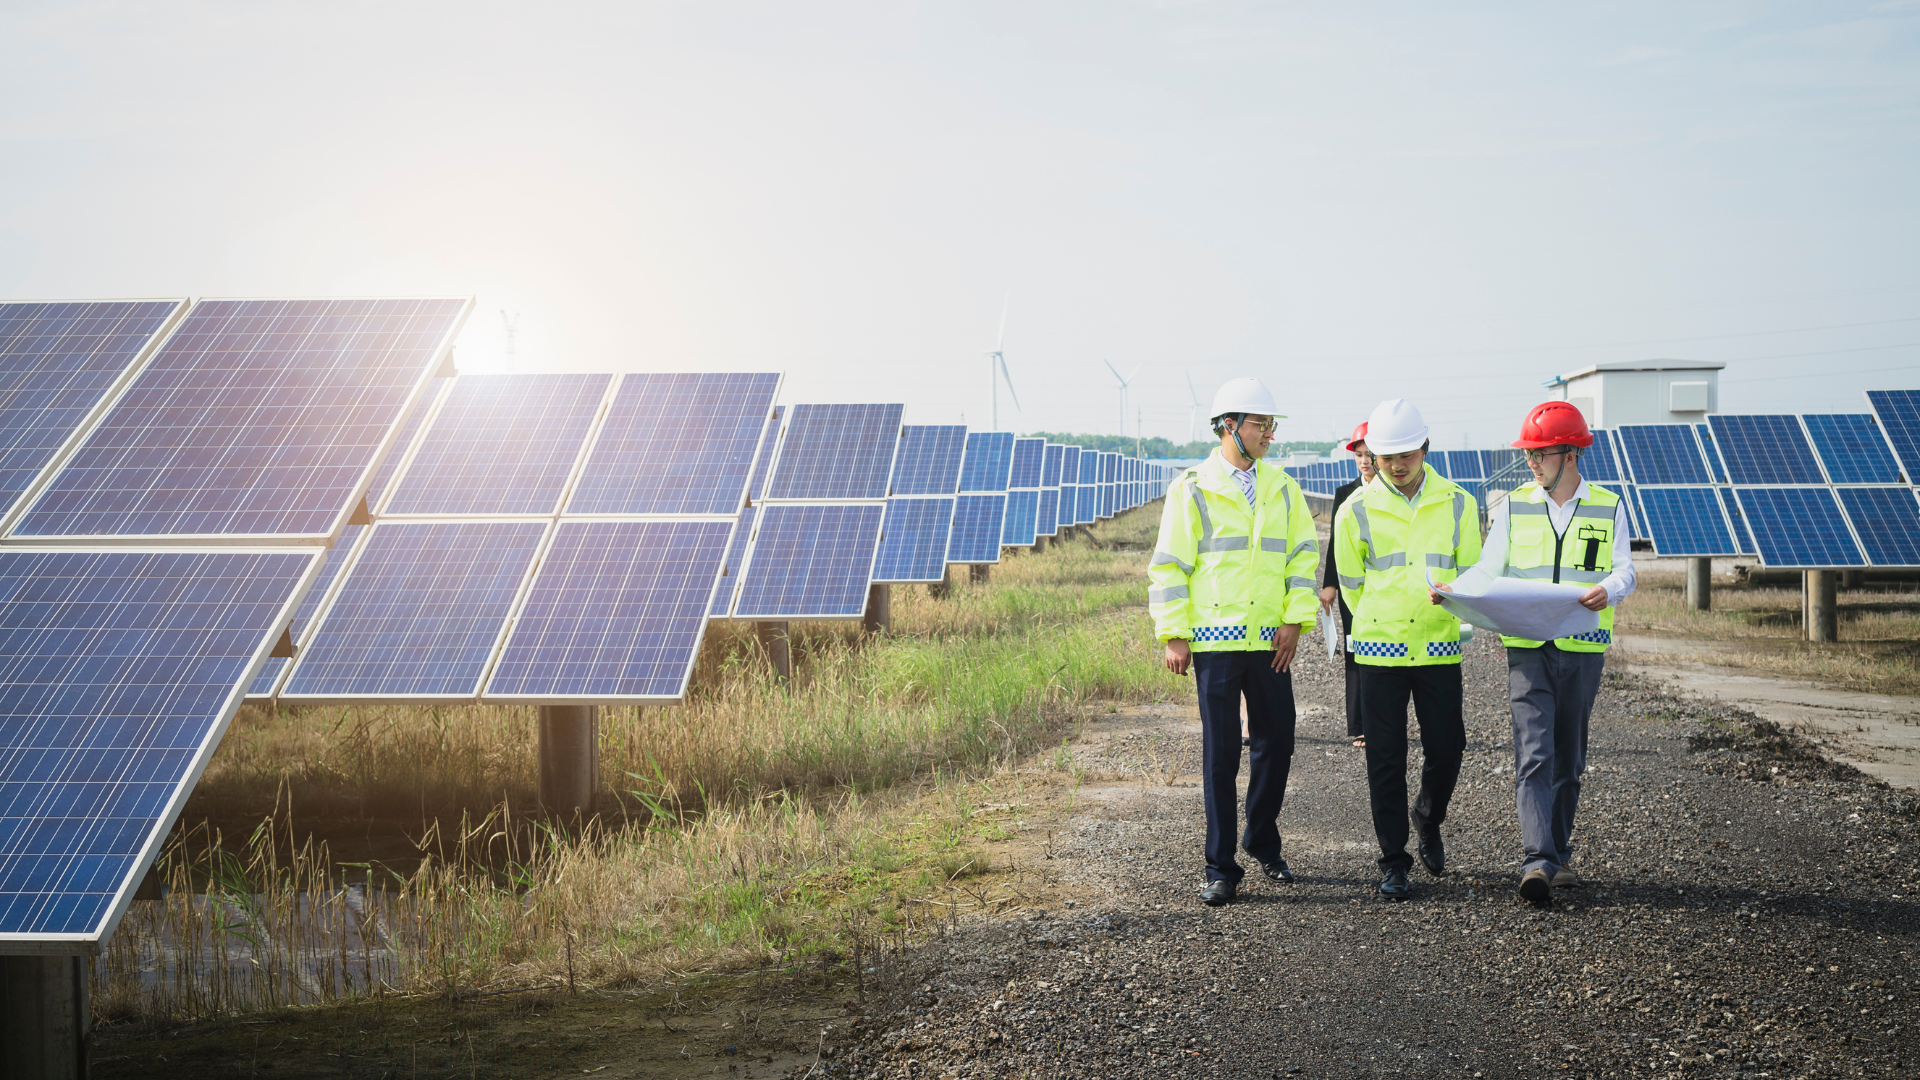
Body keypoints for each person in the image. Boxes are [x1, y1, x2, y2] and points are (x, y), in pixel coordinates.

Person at [1432, 401, 1635, 905]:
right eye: (1529, 454)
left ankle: (1557, 852)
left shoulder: (1607, 506)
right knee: (1533, 752)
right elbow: (1487, 568)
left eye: (1539, 453)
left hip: (1582, 648)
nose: (1530, 462)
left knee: (1568, 758)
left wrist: (1609, 588)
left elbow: (1625, 569)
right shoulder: (1514, 506)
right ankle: (1537, 861)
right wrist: (1455, 589)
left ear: (1569, 454)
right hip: (1525, 648)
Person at [1148, 377, 1320, 907]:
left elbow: (1301, 558)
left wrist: (1295, 620)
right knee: (1220, 755)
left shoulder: (1283, 488)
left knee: (1279, 743)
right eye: (1260, 424)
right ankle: (1221, 866)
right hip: (1216, 642)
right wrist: (1174, 632)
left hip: (1271, 639)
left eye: (1271, 425)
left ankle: (1261, 839)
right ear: (1229, 427)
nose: (1269, 434)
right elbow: (1170, 565)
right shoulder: (1192, 488)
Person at [1332, 398, 1480, 901]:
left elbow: (1471, 572)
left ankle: (1428, 816)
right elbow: (1351, 584)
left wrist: (1450, 599)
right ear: (1373, 453)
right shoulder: (1355, 509)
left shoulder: (1459, 501)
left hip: (1438, 645)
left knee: (1447, 748)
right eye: (1386, 456)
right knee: (1386, 761)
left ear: (1425, 448)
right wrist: (1382, 616)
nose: (1396, 466)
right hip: (1379, 650)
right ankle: (1394, 860)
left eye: (1406, 455)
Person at [1319, 422, 1376, 749]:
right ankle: (1360, 727)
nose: (1365, 461)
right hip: (1351, 587)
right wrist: (1330, 585)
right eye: (1359, 455)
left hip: (1384, 585)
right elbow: (1335, 546)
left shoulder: (1393, 492)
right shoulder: (1344, 494)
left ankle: (1382, 719)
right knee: (1354, 653)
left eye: (1369, 455)